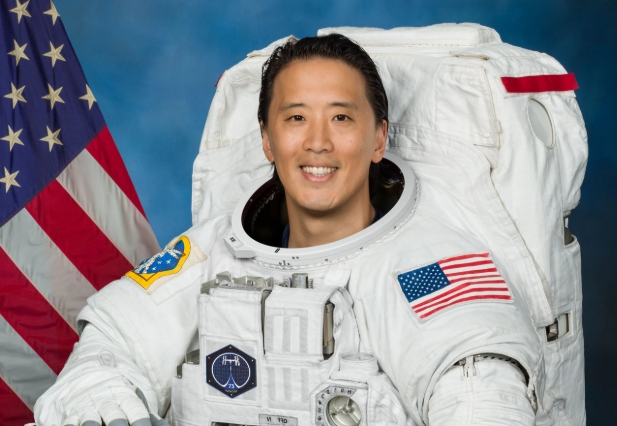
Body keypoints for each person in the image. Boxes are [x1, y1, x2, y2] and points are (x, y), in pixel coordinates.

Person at [35, 34, 542, 426]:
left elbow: (481, 392)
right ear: (267, 140)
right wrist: (105, 401)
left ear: (378, 139)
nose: (317, 142)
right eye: (296, 117)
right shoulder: (214, 249)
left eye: (341, 118)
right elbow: (111, 345)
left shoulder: (428, 266)